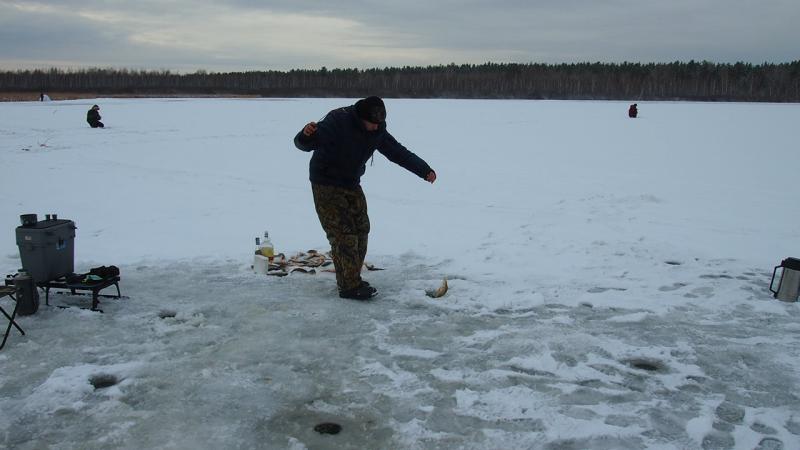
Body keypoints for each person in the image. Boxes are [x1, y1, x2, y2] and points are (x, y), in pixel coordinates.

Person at [294, 96, 437, 301]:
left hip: (351, 183)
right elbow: (305, 144)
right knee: (343, 234)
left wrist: (424, 170)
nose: (374, 128)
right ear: (361, 118)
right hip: (325, 182)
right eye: (372, 124)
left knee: (361, 228)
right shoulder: (337, 121)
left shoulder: (377, 130)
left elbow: (397, 152)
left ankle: (352, 277)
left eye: (378, 124)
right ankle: (349, 286)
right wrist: (305, 136)